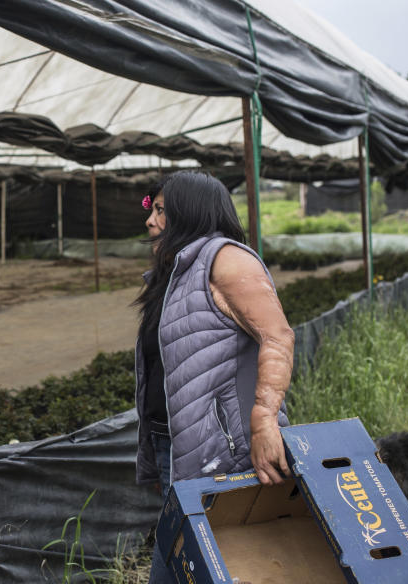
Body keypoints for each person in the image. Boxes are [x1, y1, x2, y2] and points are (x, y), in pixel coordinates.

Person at [134, 172, 294, 580]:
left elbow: (277, 337)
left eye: (161, 210)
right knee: (191, 564)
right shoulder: (174, 272)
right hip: (177, 445)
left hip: (225, 453)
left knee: (195, 565)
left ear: (191, 211)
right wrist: (157, 458)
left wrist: (264, 423)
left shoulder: (227, 260)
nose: (151, 220)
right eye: (151, 209)